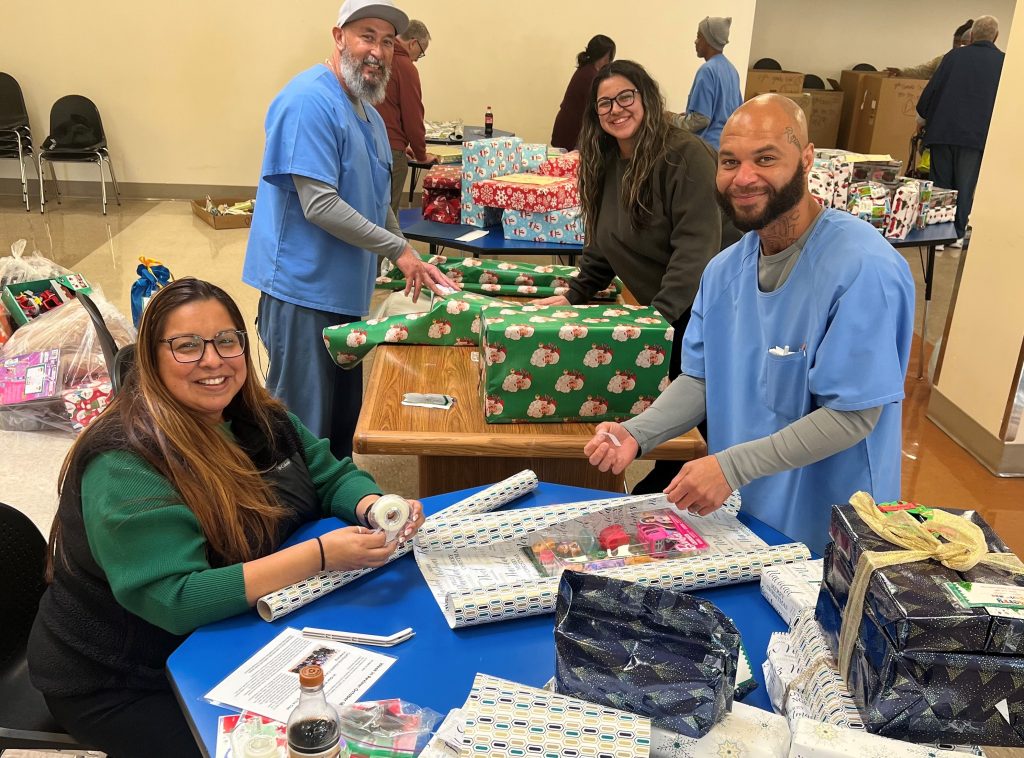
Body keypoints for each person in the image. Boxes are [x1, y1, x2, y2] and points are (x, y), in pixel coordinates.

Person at [27, 278, 426, 758]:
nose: (213, 361)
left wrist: (371, 505)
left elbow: (329, 475)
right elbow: (176, 599)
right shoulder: (126, 462)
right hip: (124, 676)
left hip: (226, 634)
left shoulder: (257, 416)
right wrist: (319, 556)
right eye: (187, 346)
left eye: (226, 341)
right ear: (152, 359)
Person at [583, 95, 915, 556]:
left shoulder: (863, 269)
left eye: (766, 159)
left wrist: (730, 467)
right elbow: (701, 378)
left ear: (807, 160)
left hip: (831, 530)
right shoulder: (723, 273)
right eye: (730, 161)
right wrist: (637, 432)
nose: (744, 178)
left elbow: (853, 414)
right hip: (747, 515)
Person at [242, 0, 457, 462]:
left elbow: (379, 203)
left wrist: (410, 257)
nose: (377, 51)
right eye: (366, 36)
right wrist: (396, 248)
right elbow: (319, 204)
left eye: (386, 41)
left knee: (341, 427)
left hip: (344, 296)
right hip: (303, 293)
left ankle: (339, 516)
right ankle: (290, 527)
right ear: (339, 37)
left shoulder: (369, 115)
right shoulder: (308, 101)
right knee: (300, 430)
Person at [535, 59, 736, 494]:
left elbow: (696, 250)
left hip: (709, 309)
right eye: (604, 102)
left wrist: (655, 320)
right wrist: (574, 294)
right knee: (662, 398)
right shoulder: (607, 161)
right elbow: (604, 241)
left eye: (626, 97)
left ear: (646, 98)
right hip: (667, 312)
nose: (616, 109)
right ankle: (666, 475)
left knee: (698, 407)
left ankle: (686, 485)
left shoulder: (685, 156)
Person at [917, 14, 1004, 248]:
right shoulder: (1004, 63)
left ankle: (936, 235)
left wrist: (923, 116)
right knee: (965, 186)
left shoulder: (953, 57)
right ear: (996, 37)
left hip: (943, 133)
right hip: (975, 139)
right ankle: (956, 234)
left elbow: (930, 92)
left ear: (972, 35)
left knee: (941, 185)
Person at [379, 18, 438, 213]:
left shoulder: (379, 57)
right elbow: (413, 116)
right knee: (388, 217)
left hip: (368, 145)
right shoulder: (404, 66)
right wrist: (421, 154)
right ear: (413, 43)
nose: (416, 58)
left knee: (372, 211)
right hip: (390, 154)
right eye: (420, 53)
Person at [677, 16, 742, 150]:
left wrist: (671, 119)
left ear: (708, 41)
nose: (695, 42)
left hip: (707, 149)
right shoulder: (732, 70)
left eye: (699, 37)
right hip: (726, 147)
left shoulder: (707, 70)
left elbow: (701, 120)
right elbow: (734, 113)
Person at [550, 35, 616, 150]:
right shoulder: (590, 76)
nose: (609, 60)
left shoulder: (587, 70)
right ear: (602, 55)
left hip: (569, 130)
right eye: (609, 56)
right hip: (572, 133)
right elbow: (597, 109)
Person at [886, 19, 973, 79]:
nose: (956, 46)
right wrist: (901, 72)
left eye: (961, 43)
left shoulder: (976, 64)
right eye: (955, 42)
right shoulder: (942, 59)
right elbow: (922, 71)